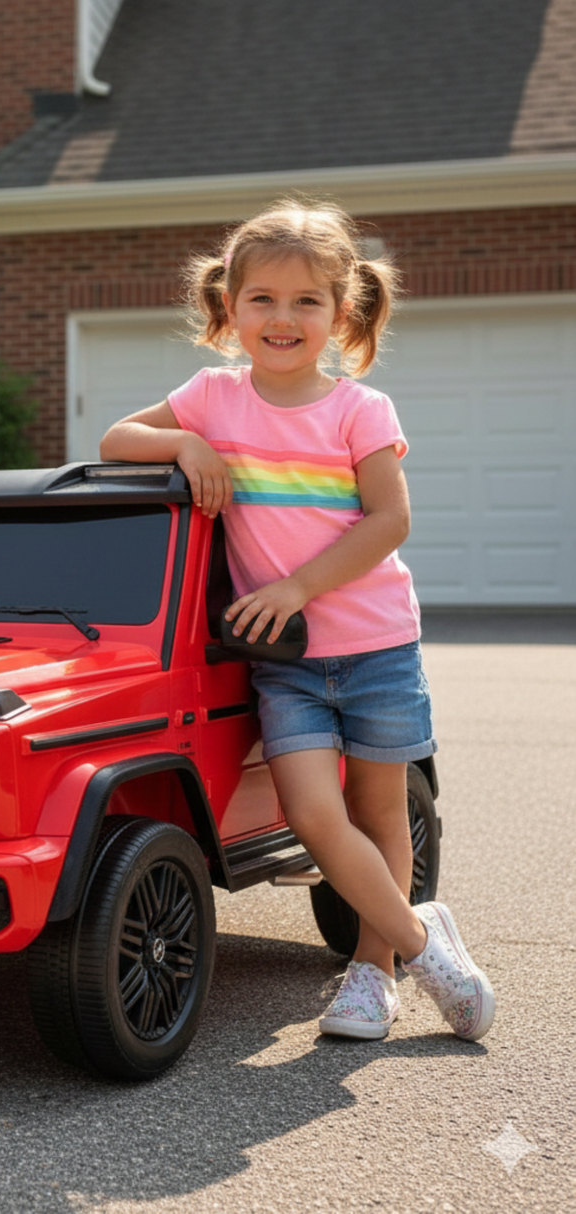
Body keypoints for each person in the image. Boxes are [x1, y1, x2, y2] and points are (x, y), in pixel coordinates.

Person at [99, 200, 494, 1042]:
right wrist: (185, 445)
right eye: (264, 299)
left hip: (377, 646)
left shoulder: (360, 410)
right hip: (286, 661)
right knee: (314, 816)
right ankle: (425, 945)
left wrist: (296, 586)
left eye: (306, 300)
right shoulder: (211, 397)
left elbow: (390, 520)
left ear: (341, 311)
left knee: (380, 814)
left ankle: (373, 973)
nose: (283, 318)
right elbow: (116, 437)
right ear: (230, 307)